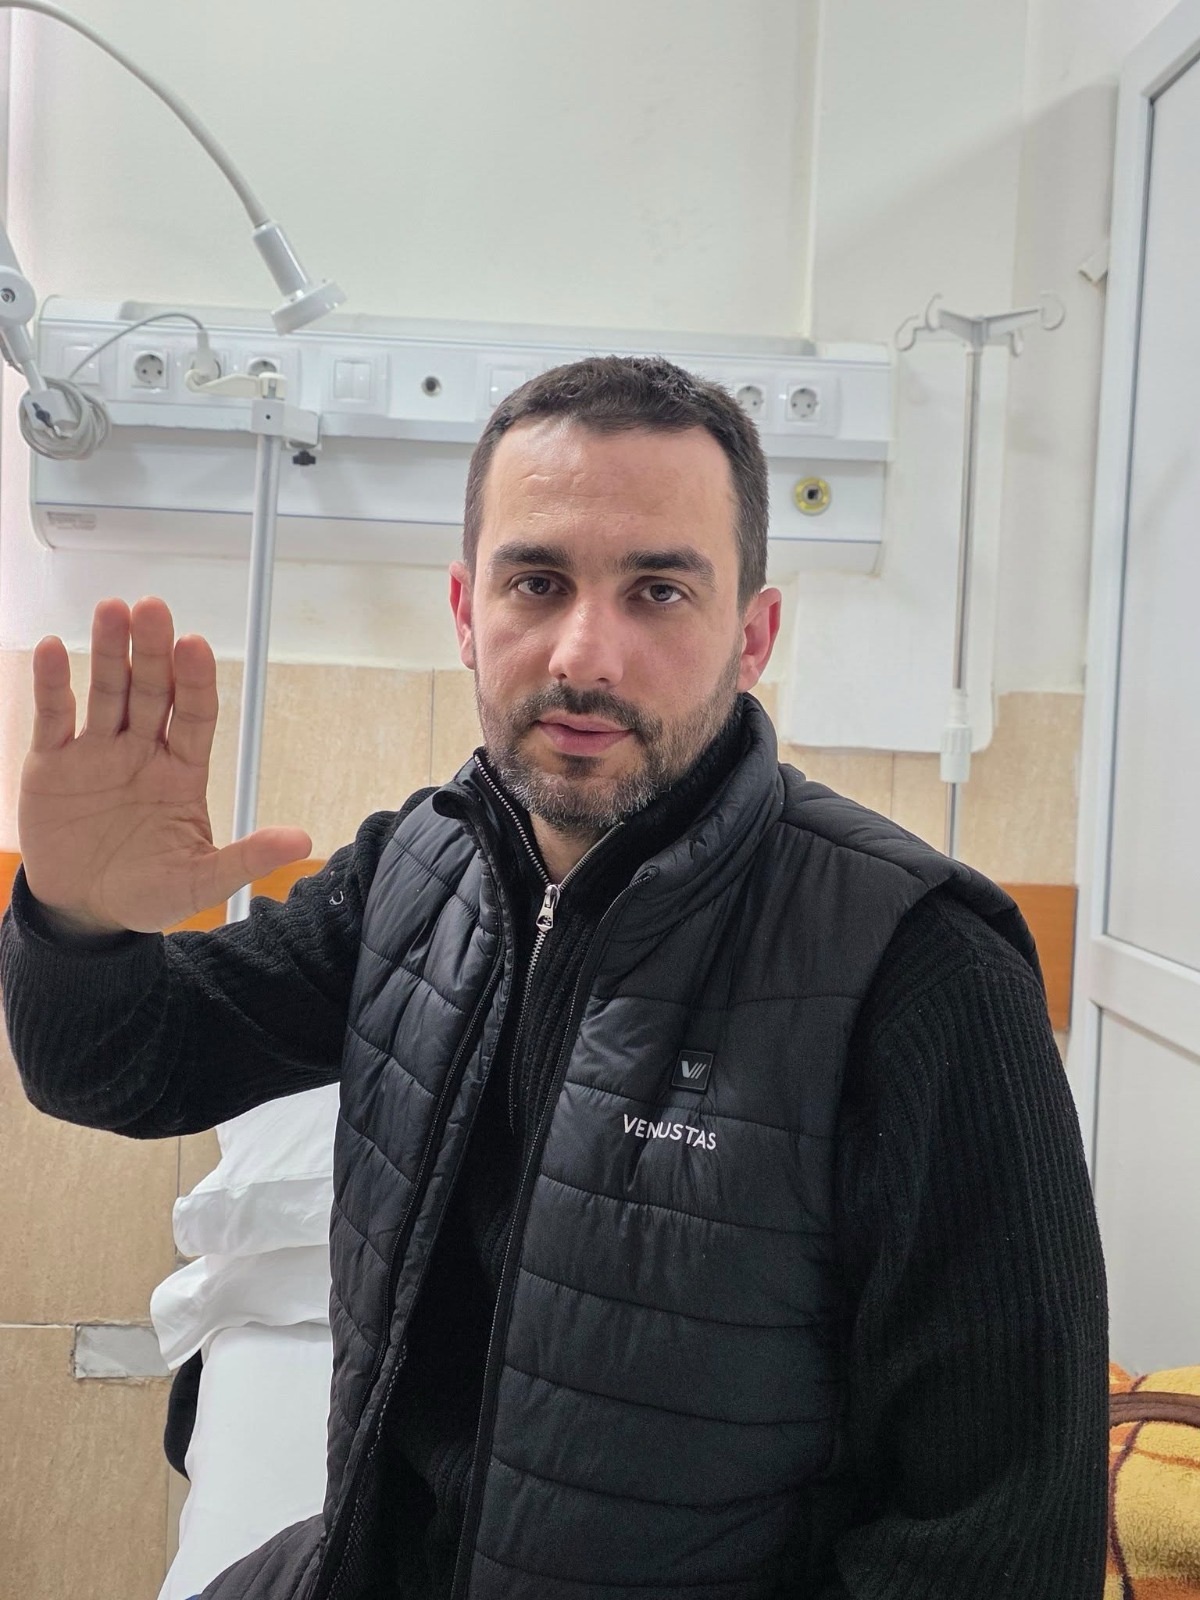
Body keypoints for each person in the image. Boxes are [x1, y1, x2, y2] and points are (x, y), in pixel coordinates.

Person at [0, 355, 1107, 1599]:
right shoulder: (414, 872)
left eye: (658, 591)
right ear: (467, 611)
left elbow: (999, 1534)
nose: (588, 652)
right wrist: (76, 919)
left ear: (753, 636)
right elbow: (123, 1067)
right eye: (538, 582)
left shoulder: (920, 967)